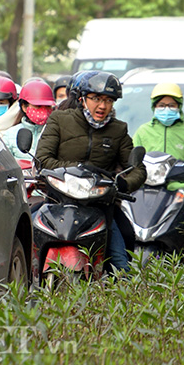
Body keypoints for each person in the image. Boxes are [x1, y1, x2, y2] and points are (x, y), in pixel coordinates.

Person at [35, 70, 146, 274]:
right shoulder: (59, 120)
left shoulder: (118, 130)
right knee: (21, 238)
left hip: (100, 207)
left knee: (122, 264)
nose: (102, 106)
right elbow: (43, 159)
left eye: (109, 100)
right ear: (82, 99)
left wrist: (123, 183)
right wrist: (80, 171)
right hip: (58, 202)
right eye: (96, 98)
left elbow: (137, 169)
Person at [132, 82, 184, 217]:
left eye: (171, 105)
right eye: (162, 105)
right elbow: (133, 167)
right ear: (154, 106)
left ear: (179, 106)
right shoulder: (143, 131)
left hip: (179, 196)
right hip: (148, 196)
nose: (166, 109)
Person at [0, 79, 55, 160]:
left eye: (47, 106)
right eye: (38, 106)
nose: (43, 111)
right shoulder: (10, 135)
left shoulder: (56, 133)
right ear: (24, 107)